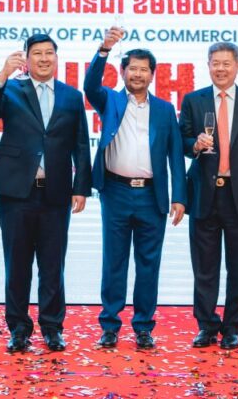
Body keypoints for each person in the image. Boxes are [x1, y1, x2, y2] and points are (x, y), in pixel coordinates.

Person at [0, 33, 91, 353]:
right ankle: (18, 328)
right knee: (17, 264)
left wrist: (81, 187)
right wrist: (1, 75)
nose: (43, 59)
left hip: (55, 193)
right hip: (17, 193)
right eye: (37, 54)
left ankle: (53, 327)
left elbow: (81, 144)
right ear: (27, 59)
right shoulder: (11, 89)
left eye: (49, 53)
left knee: (53, 264)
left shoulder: (71, 95)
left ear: (57, 58)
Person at [84, 28, 186, 350]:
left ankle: (143, 326)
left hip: (151, 196)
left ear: (152, 75)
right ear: (123, 72)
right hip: (115, 192)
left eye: (144, 69)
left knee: (148, 264)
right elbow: (89, 86)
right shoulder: (111, 100)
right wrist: (104, 49)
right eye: (133, 68)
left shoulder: (166, 110)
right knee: (114, 262)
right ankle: (110, 326)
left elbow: (174, 156)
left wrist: (179, 197)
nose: (138, 74)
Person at [179, 41, 238, 350]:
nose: (220, 68)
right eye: (215, 63)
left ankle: (232, 328)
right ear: (208, 66)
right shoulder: (193, 100)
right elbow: (180, 141)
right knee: (204, 268)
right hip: (204, 193)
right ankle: (206, 326)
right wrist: (195, 144)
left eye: (226, 63)